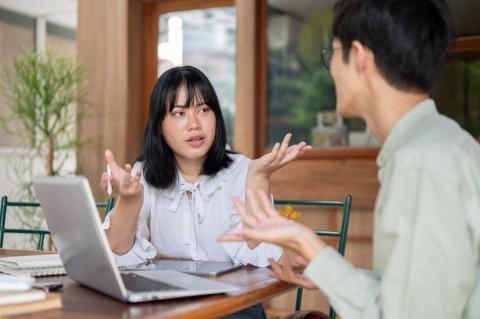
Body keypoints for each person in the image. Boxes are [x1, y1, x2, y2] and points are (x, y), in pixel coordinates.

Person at [219, 0, 480, 318]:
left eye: (333, 54)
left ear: (358, 58)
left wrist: (307, 242)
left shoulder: (422, 163)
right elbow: (417, 292)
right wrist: (324, 269)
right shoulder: (440, 143)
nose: (331, 70)